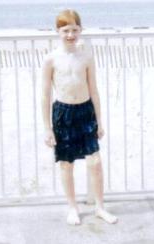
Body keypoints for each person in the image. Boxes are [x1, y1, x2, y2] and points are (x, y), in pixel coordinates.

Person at [41, 9, 118, 225]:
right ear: (57, 31)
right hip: (63, 114)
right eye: (65, 30)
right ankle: (72, 207)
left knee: (95, 162)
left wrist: (100, 120)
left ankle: (100, 207)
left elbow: (94, 90)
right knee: (66, 164)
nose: (70, 34)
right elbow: (45, 95)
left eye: (74, 29)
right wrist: (47, 127)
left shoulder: (86, 57)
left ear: (80, 30)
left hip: (85, 112)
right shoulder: (51, 59)